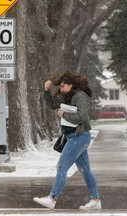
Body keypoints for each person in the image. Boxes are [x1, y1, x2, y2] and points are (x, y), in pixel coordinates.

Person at [33, 71, 101, 210]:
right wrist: (46, 91)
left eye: (63, 86)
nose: (61, 89)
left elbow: (82, 117)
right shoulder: (66, 96)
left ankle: (52, 199)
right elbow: (52, 104)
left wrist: (64, 114)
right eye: (61, 86)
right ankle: (95, 200)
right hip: (73, 137)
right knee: (85, 170)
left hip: (79, 137)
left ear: (71, 85)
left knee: (62, 167)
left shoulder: (80, 96)